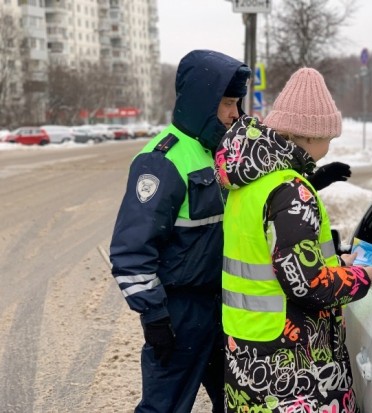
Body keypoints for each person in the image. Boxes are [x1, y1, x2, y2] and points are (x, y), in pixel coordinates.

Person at [215, 67, 372, 412]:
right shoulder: (292, 191)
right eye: (328, 138)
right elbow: (307, 285)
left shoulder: (248, 183)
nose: (329, 146)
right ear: (308, 135)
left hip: (247, 347)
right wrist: (360, 278)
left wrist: (336, 265)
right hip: (289, 363)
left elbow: (272, 255)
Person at [109, 49, 252, 412]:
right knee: (164, 408)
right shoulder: (162, 161)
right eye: (228, 104)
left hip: (223, 305)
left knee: (240, 401)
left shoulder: (216, 150)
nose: (235, 114)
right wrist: (154, 316)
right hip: (179, 312)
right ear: (203, 103)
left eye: (237, 103)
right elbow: (131, 251)